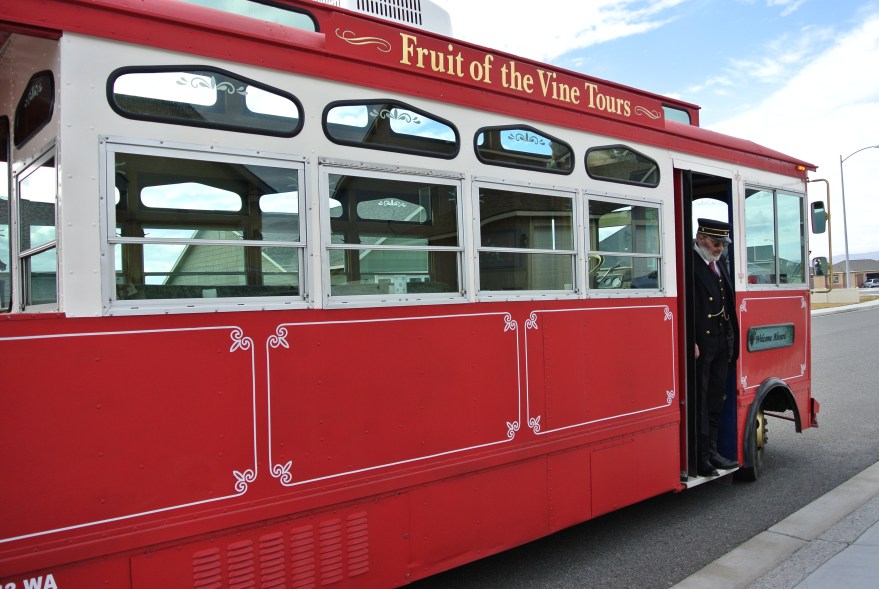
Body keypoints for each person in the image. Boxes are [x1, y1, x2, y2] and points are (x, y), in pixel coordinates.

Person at [692, 218, 740, 477]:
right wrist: (690, 339)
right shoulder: (689, 262)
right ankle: (700, 456)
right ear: (700, 239)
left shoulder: (718, 262)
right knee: (700, 399)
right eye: (715, 242)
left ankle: (712, 450)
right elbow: (685, 303)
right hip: (702, 342)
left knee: (715, 397)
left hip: (721, 339)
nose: (720, 247)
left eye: (723, 243)